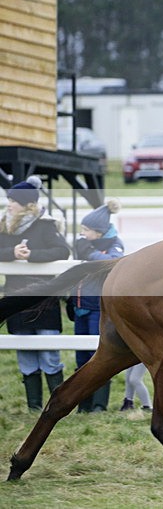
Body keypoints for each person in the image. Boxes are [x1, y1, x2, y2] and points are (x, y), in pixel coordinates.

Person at [0, 176, 71, 412]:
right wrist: (12, 252)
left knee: (50, 354)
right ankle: (33, 407)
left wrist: (31, 255)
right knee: (25, 356)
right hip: (15, 298)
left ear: (26, 204)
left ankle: (57, 407)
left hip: (43, 299)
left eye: (12, 200)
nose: (8, 204)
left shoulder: (45, 225)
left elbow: (62, 251)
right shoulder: (4, 224)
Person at [69, 198, 124, 412]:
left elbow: (109, 262)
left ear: (98, 232)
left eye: (86, 229)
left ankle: (99, 405)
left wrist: (88, 253)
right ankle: (83, 404)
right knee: (81, 357)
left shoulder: (115, 244)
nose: (82, 233)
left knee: (97, 356)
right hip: (81, 306)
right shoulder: (87, 244)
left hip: (98, 308)